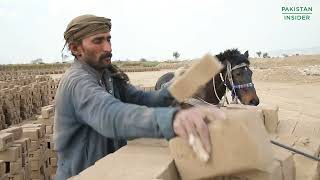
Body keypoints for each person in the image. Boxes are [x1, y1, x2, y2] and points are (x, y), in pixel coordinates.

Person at [54, 14, 225, 180]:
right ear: (76, 48)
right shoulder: (77, 82)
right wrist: (173, 119)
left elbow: (142, 99)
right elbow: (110, 115)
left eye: (108, 39)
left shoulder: (108, 76)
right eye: (98, 41)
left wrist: (173, 89)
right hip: (82, 173)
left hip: (111, 170)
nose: (108, 48)